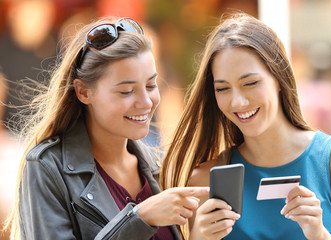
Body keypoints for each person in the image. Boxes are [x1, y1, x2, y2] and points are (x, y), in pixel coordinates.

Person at [4, 17, 209, 240]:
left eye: (151, 86)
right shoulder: (46, 168)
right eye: (126, 91)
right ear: (83, 92)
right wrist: (140, 219)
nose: (146, 102)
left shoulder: (156, 168)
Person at [161, 12, 331, 240]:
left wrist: (319, 234)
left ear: (279, 78)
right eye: (223, 88)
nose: (238, 102)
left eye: (251, 83)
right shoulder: (205, 181)